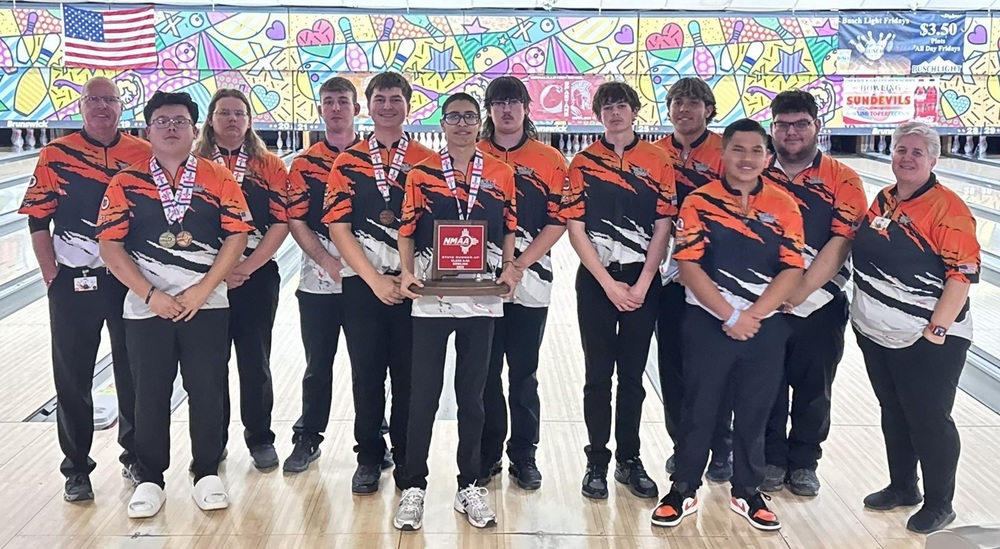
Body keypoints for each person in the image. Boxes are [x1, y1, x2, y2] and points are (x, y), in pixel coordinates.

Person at [96, 91, 253, 518]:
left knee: (208, 390)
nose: (170, 128)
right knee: (148, 394)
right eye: (162, 121)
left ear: (193, 128)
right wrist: (151, 295)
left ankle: (206, 472)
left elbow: (237, 236)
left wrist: (204, 289)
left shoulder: (219, 177)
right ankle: (150, 478)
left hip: (208, 304)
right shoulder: (126, 182)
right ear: (148, 129)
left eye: (179, 121)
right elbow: (110, 247)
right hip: (147, 309)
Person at [651, 119, 805, 532]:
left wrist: (753, 316)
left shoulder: (785, 205)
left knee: (756, 411)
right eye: (739, 149)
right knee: (698, 407)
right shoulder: (698, 202)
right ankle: (683, 488)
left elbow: (792, 269)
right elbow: (688, 263)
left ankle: (748, 491)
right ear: (723, 153)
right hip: (707, 320)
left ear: (767, 158)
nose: (747, 158)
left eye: (757, 150)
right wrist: (730, 314)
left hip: (764, 325)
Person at [18, 76, 151, 502]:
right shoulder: (55, 154)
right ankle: (76, 468)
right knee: (72, 375)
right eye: (94, 100)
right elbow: (38, 218)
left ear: (120, 106)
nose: (102, 107)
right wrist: (50, 272)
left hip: (128, 280)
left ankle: (133, 455)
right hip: (73, 282)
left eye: (109, 100)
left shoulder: (141, 153)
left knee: (133, 371)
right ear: (82, 106)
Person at [392, 92, 520, 531]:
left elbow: (508, 229)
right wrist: (407, 273)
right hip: (431, 296)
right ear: (442, 123)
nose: (462, 124)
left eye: (469, 117)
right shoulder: (421, 174)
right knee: (422, 396)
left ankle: (470, 484)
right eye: (454, 117)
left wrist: (511, 268)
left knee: (474, 396)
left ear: (478, 122)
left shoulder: (501, 173)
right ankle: (414, 486)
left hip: (482, 298)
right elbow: (406, 231)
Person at [851, 122, 980, 534]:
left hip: (929, 337)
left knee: (929, 417)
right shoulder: (884, 199)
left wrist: (936, 331)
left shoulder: (948, 208)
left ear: (933, 160)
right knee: (894, 411)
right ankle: (903, 486)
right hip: (877, 332)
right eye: (900, 150)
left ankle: (941, 503)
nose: (906, 158)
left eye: (916, 153)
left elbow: (961, 275)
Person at [563, 81, 675, 501]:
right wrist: (608, 283)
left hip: (644, 281)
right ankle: (597, 460)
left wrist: (645, 282)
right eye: (607, 107)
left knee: (632, 377)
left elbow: (664, 225)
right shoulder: (582, 162)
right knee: (597, 376)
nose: (614, 113)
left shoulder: (658, 160)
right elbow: (575, 229)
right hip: (596, 281)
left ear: (634, 111)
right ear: (598, 115)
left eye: (621, 106)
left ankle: (630, 458)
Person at [325, 71, 434, 492]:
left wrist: (408, 277)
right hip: (363, 286)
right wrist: (373, 280)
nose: (388, 106)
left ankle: (408, 459)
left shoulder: (427, 160)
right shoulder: (346, 162)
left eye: (396, 98)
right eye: (380, 99)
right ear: (367, 106)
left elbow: (435, 227)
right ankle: (369, 456)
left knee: (410, 377)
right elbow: (339, 227)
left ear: (409, 105)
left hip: (414, 286)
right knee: (366, 376)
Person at [760, 90, 867, 496]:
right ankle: (771, 457)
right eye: (783, 125)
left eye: (800, 124)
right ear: (773, 128)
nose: (791, 132)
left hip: (821, 299)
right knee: (766, 383)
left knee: (813, 386)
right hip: (765, 298)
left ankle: (804, 461)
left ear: (816, 127)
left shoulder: (842, 177)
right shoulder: (757, 172)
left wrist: (802, 290)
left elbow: (841, 241)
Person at [476, 76, 568, 490]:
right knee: (485, 371)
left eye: (514, 102)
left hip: (533, 279)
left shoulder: (550, 159)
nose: (507, 110)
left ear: (527, 108)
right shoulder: (471, 154)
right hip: (479, 280)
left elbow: (558, 221)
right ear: (489, 110)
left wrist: (518, 265)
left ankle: (524, 455)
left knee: (524, 373)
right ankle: (488, 451)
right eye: (499, 103)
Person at [195, 89, 289, 471]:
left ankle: (260, 439)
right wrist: (217, 274)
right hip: (204, 278)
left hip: (256, 276)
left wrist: (246, 268)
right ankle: (212, 443)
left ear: (249, 120)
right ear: (211, 120)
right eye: (224, 113)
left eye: (239, 113)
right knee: (209, 364)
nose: (232, 119)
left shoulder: (270, 166)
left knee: (255, 362)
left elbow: (281, 223)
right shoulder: (194, 163)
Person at [651, 77, 731, 481]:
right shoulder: (654, 154)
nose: (685, 109)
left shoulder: (725, 152)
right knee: (673, 367)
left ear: (709, 109)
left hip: (715, 277)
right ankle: (683, 445)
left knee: (714, 367)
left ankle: (721, 447)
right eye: (678, 102)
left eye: (694, 103)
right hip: (667, 280)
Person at [283, 77, 361, 473]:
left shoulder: (373, 159)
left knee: (371, 365)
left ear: (355, 110)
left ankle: (374, 437)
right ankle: (308, 436)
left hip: (367, 280)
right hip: (317, 280)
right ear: (320, 110)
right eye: (328, 102)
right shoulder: (303, 163)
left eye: (342, 102)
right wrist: (327, 261)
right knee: (318, 365)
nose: (335, 108)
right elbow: (296, 220)